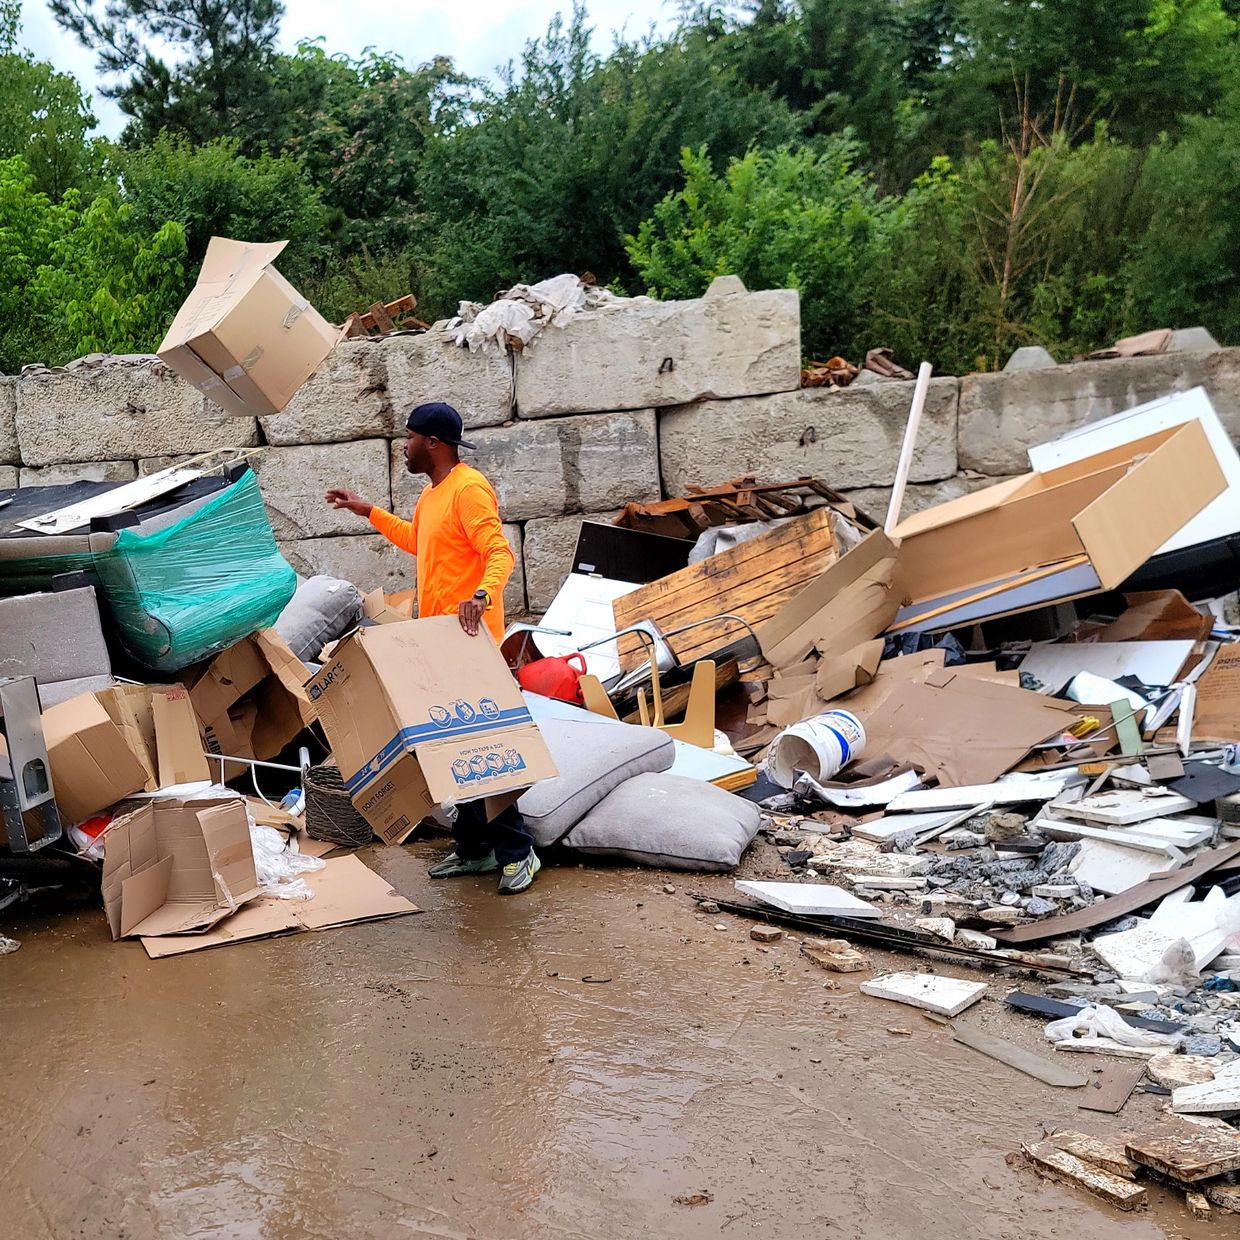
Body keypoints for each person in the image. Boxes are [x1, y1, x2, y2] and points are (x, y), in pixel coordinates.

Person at [324, 401, 541, 895]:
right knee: (451, 746)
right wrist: (368, 510)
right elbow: (420, 542)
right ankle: (474, 848)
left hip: (470, 638)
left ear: (433, 444)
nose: (404, 447)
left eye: (409, 439)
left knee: (482, 749)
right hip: (439, 639)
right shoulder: (432, 496)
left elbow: (499, 551)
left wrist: (481, 596)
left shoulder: (468, 489)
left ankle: (517, 850)